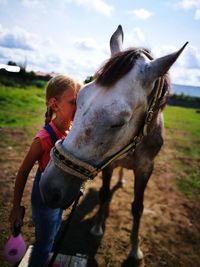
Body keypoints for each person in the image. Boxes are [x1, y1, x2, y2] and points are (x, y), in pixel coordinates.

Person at [9, 74, 81, 267]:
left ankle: (44, 258)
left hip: (58, 194)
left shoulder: (71, 131)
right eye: (74, 102)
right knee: (44, 240)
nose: (78, 106)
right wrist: (16, 208)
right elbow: (23, 171)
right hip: (43, 199)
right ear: (54, 104)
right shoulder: (43, 139)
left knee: (55, 227)